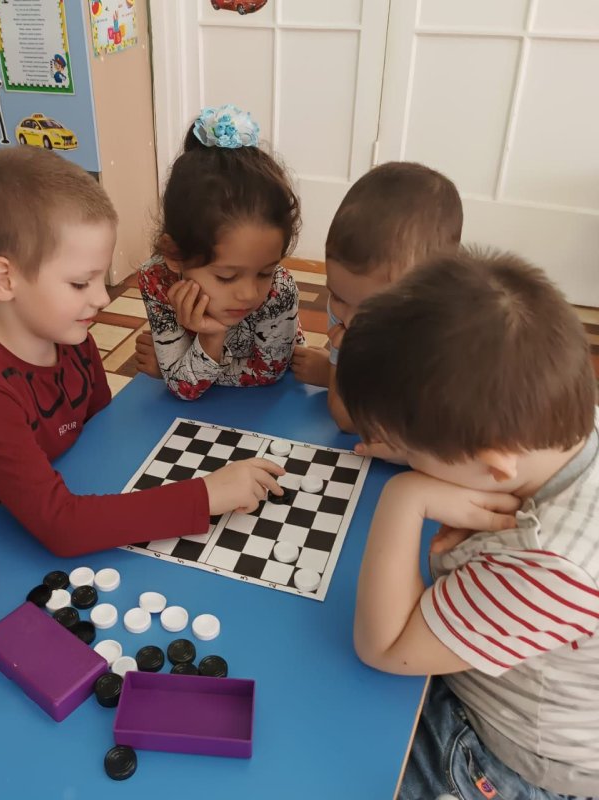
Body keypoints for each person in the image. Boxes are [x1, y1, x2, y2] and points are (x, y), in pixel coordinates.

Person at [336, 251, 599, 799]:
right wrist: (429, 449)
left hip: (501, 752)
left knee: (334, 758)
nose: (405, 458)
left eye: (411, 449)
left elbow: (383, 646)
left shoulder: (547, 565)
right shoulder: (558, 422)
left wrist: (405, 495)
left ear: (494, 464)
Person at [0, 146, 284, 556]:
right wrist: (206, 494)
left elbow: (107, 437)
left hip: (75, 504)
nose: (103, 299)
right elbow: (61, 526)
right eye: (80, 283)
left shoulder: (72, 340)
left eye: (100, 279)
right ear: (4, 279)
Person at [134, 105, 304, 400]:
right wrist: (211, 337)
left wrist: (176, 370)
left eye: (265, 272)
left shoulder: (280, 289)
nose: (249, 293)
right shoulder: (156, 280)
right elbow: (184, 390)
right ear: (174, 255)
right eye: (226, 276)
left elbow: (269, 373)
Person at [291, 161, 462, 432]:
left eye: (369, 309)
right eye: (337, 297)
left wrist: (341, 369)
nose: (349, 320)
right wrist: (344, 362)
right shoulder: (347, 314)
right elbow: (345, 418)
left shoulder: (448, 339)